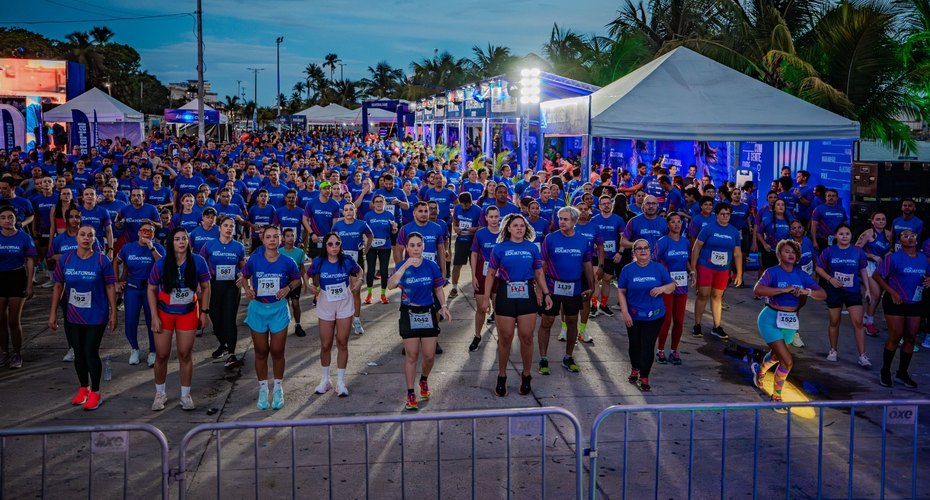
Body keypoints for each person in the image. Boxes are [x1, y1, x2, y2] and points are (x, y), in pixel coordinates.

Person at [47, 223, 117, 410]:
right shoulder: (66, 259)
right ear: (76, 238)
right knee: (78, 353)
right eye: (82, 234)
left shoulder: (102, 261)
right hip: (73, 314)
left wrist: (114, 313)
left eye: (90, 235)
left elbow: (111, 287)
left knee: (90, 352)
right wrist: (53, 312)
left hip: (96, 314)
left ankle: (95, 392)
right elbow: (58, 286)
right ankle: (83, 388)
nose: (86, 238)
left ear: (95, 239)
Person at [751, 239, 826, 412]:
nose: (791, 254)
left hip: (790, 321)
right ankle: (776, 397)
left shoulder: (801, 274)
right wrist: (782, 290)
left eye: (793, 252)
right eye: (786, 251)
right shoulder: (772, 272)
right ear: (779, 254)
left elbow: (822, 294)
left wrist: (806, 291)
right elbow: (758, 290)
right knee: (787, 360)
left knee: (777, 356)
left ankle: (760, 371)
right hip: (770, 318)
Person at [482, 214, 552, 397]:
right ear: (509, 228)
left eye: (522, 225)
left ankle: (527, 375)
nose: (519, 228)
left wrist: (546, 293)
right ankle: (502, 375)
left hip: (526, 294)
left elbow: (538, 272)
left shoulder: (531, 247)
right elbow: (490, 274)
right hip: (505, 293)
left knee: (526, 337)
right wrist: (485, 297)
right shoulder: (499, 248)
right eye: (515, 226)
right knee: (505, 338)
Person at [147, 227, 212, 412]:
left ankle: (185, 395)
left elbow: (206, 287)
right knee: (162, 354)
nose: (181, 242)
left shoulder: (198, 261)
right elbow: (151, 289)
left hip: (188, 312)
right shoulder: (161, 263)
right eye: (177, 239)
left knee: (185, 353)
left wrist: (204, 312)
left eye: (184, 238)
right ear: (171, 242)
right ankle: (160, 393)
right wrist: (154, 316)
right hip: (164, 313)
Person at [240, 225, 302, 410]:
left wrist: (288, 288)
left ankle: (277, 388)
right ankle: (262, 388)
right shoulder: (254, 260)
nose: (272, 240)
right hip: (258, 310)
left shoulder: (288, 261)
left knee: (277, 351)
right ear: (263, 240)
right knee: (260, 351)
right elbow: (244, 277)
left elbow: (297, 279)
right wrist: (248, 289)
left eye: (276, 236)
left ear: (280, 239)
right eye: (268, 237)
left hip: (278, 310)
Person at [387, 232, 451, 411]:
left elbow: (438, 288)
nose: (415, 248)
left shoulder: (431, 266)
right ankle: (410, 393)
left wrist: (443, 306)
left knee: (430, 356)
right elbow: (390, 285)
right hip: (409, 312)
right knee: (412, 355)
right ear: (407, 248)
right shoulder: (402, 265)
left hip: (428, 312)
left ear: (423, 247)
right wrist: (405, 265)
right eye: (412, 245)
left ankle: (423, 380)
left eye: (418, 245)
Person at [538, 206, 595, 375]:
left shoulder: (583, 241)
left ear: (575, 221)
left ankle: (568, 357)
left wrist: (591, 286)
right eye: (560, 219)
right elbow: (542, 265)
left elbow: (587, 264)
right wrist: (540, 291)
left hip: (574, 287)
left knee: (572, 322)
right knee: (546, 322)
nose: (562, 222)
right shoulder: (550, 239)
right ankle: (543, 358)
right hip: (552, 287)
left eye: (566, 219)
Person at [618, 238, 677, 392]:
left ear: (650, 251)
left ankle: (644, 376)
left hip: (655, 315)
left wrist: (662, 288)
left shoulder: (658, 268)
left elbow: (672, 285)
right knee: (635, 345)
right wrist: (625, 312)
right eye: (639, 248)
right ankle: (635, 368)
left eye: (646, 248)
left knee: (648, 345)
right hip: (634, 315)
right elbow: (621, 291)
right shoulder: (627, 270)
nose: (643, 251)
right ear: (634, 252)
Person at [307, 232, 362, 397]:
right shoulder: (319, 261)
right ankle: (325, 380)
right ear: (325, 246)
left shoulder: (347, 261)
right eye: (330, 244)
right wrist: (309, 285)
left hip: (344, 301)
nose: (334, 247)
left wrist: (359, 281)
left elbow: (359, 272)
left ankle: (340, 381)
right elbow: (307, 275)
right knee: (325, 344)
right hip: (325, 302)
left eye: (337, 243)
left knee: (342, 342)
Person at [873, 229, 929, 389]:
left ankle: (902, 373)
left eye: (912, 236)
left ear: (917, 240)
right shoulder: (893, 258)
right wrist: (892, 292)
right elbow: (876, 275)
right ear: (900, 241)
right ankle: (885, 371)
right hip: (895, 302)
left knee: (911, 337)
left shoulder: (923, 259)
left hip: (915, 302)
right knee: (895, 337)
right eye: (905, 236)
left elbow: (928, 276)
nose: (910, 238)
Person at [815, 224, 871, 366]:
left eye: (847, 233)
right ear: (836, 236)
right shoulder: (829, 251)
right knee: (834, 322)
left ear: (851, 236)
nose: (844, 236)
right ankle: (833, 350)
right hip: (834, 291)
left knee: (858, 323)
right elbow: (818, 267)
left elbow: (864, 270)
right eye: (841, 234)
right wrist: (830, 279)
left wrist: (868, 289)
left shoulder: (858, 251)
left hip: (853, 291)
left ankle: (862, 356)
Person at [199, 215, 247, 368]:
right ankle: (224, 344)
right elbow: (200, 264)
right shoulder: (209, 245)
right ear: (219, 228)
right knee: (215, 318)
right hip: (213, 286)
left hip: (232, 287)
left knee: (229, 319)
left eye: (231, 226)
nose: (228, 228)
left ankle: (232, 354)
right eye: (226, 225)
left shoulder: (238, 246)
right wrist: (200, 284)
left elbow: (243, 267)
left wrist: (242, 276)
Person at [691, 203, 743, 340]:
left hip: (723, 269)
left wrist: (739, 273)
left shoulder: (733, 231)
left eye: (728, 214)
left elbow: (737, 253)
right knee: (703, 294)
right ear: (717, 215)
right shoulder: (709, 229)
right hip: (706, 266)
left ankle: (717, 326)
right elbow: (696, 247)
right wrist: (693, 267)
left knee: (717, 296)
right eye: (722, 214)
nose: (725, 216)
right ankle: (697, 325)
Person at [116, 222, 164, 367]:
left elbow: (162, 264)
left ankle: (153, 351)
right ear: (138, 232)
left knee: (153, 321)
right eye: (144, 230)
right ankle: (134, 349)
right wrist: (117, 281)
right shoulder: (128, 247)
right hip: (132, 288)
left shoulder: (158, 247)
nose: (146, 233)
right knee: (131, 320)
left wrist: (151, 247)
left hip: (152, 289)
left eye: (150, 231)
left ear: (153, 234)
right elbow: (116, 261)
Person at [0, 206, 37, 369]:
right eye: (3, 217)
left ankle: (16, 353)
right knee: (0, 319)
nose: (7, 220)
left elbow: (30, 261)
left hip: (17, 278)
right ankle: (4, 353)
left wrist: (30, 284)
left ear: (16, 219)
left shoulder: (24, 237)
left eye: (10, 217)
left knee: (13, 320)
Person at [654, 213, 692, 365]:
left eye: (679, 222)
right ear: (668, 225)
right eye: (673, 222)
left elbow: (686, 261)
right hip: (667, 287)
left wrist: (692, 271)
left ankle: (674, 350)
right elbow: (654, 262)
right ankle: (660, 350)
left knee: (679, 320)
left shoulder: (685, 242)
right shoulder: (662, 242)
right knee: (666, 320)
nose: (677, 225)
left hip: (682, 286)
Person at [332, 203, 372, 335]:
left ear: (355, 211)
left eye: (351, 209)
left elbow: (370, 236)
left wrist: (366, 249)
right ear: (343, 212)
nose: (349, 212)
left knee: (355, 291)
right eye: (346, 210)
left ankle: (357, 320)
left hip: (357, 260)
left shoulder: (361, 224)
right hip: (341, 262)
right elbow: (331, 241)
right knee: (341, 292)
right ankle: (341, 320)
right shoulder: (337, 225)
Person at [855, 211, 893, 336]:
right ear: (873, 221)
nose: (881, 221)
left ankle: (867, 318)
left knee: (877, 297)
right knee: (875, 295)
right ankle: (869, 322)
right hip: (869, 266)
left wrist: (887, 255)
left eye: (883, 219)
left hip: (883, 267)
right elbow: (856, 249)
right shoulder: (867, 234)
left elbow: (891, 249)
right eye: (878, 219)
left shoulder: (889, 234)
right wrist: (871, 255)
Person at [469, 205, 501, 351]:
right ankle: (477, 335)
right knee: (481, 307)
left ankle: (502, 337)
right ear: (486, 218)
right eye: (491, 216)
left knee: (499, 308)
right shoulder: (480, 234)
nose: (494, 219)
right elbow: (474, 254)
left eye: (496, 216)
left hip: (500, 275)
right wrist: (473, 275)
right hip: (482, 274)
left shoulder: (505, 234)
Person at [590, 195, 625, 317]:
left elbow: (623, 237)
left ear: (611, 204)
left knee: (607, 280)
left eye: (608, 203)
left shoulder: (618, 220)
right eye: (603, 203)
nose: (606, 205)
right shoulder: (594, 219)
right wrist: (593, 244)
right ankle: (594, 306)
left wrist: (620, 252)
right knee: (595, 279)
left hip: (611, 256)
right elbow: (590, 236)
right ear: (599, 206)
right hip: (596, 256)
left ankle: (603, 306)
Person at [362, 194, 397, 304]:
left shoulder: (389, 215)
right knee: (371, 270)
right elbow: (364, 231)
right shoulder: (368, 215)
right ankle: (369, 293)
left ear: (384, 203)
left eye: (381, 201)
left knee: (383, 270)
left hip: (385, 245)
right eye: (376, 201)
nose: (379, 203)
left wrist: (395, 228)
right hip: (371, 246)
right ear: (373, 204)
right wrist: (366, 242)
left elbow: (393, 232)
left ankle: (383, 294)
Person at [450, 192, 481, 298]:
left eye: (465, 205)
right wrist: (455, 227)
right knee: (457, 265)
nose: (463, 207)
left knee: (475, 265)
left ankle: (477, 288)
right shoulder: (458, 208)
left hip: (473, 241)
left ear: (470, 203)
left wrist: (474, 230)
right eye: (462, 205)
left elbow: (482, 227)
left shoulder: (478, 210)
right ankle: (454, 287)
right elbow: (454, 220)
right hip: (461, 240)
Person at [279, 228, 308, 337]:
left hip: (296, 282)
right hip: (283, 283)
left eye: (292, 235)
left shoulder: (299, 252)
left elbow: (302, 268)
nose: (290, 238)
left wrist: (306, 283)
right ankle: (283, 326)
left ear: (295, 238)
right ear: (283, 238)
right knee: (284, 304)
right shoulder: (279, 252)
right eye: (287, 236)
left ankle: (298, 324)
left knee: (295, 303)